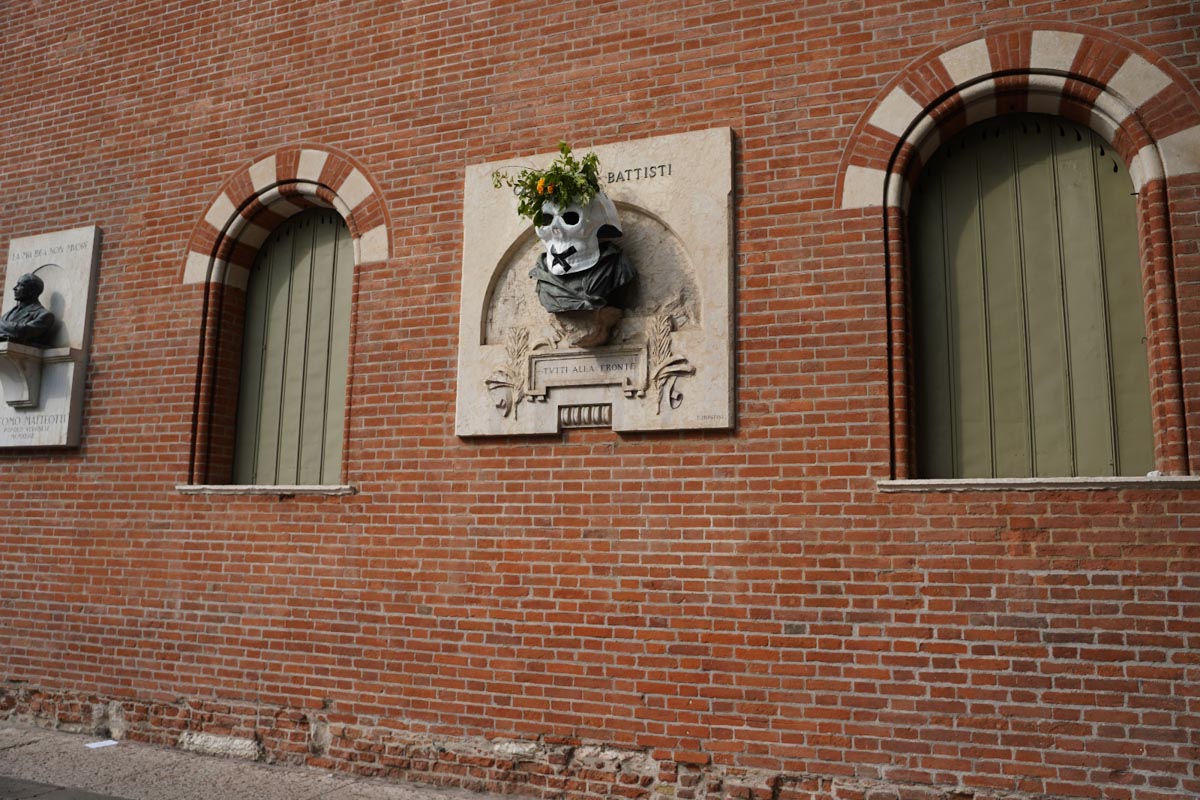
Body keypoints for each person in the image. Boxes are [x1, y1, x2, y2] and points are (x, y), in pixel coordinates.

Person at [0, 273, 56, 346]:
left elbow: (22, 331)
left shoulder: (45, 315)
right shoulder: (8, 314)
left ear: (32, 290)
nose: (15, 288)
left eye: (20, 285)